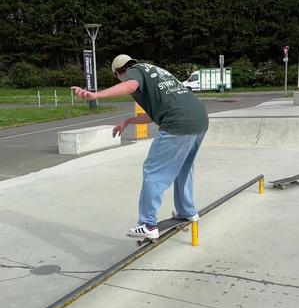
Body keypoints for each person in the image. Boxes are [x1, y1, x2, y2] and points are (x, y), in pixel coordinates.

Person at [71, 54, 209, 239]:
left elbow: (130, 85)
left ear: (119, 72)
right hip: (199, 119)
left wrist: (96, 95)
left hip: (178, 123)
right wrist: (128, 121)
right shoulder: (155, 72)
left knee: (153, 171)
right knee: (183, 168)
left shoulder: (133, 73)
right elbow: (156, 113)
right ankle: (188, 210)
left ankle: (147, 223)